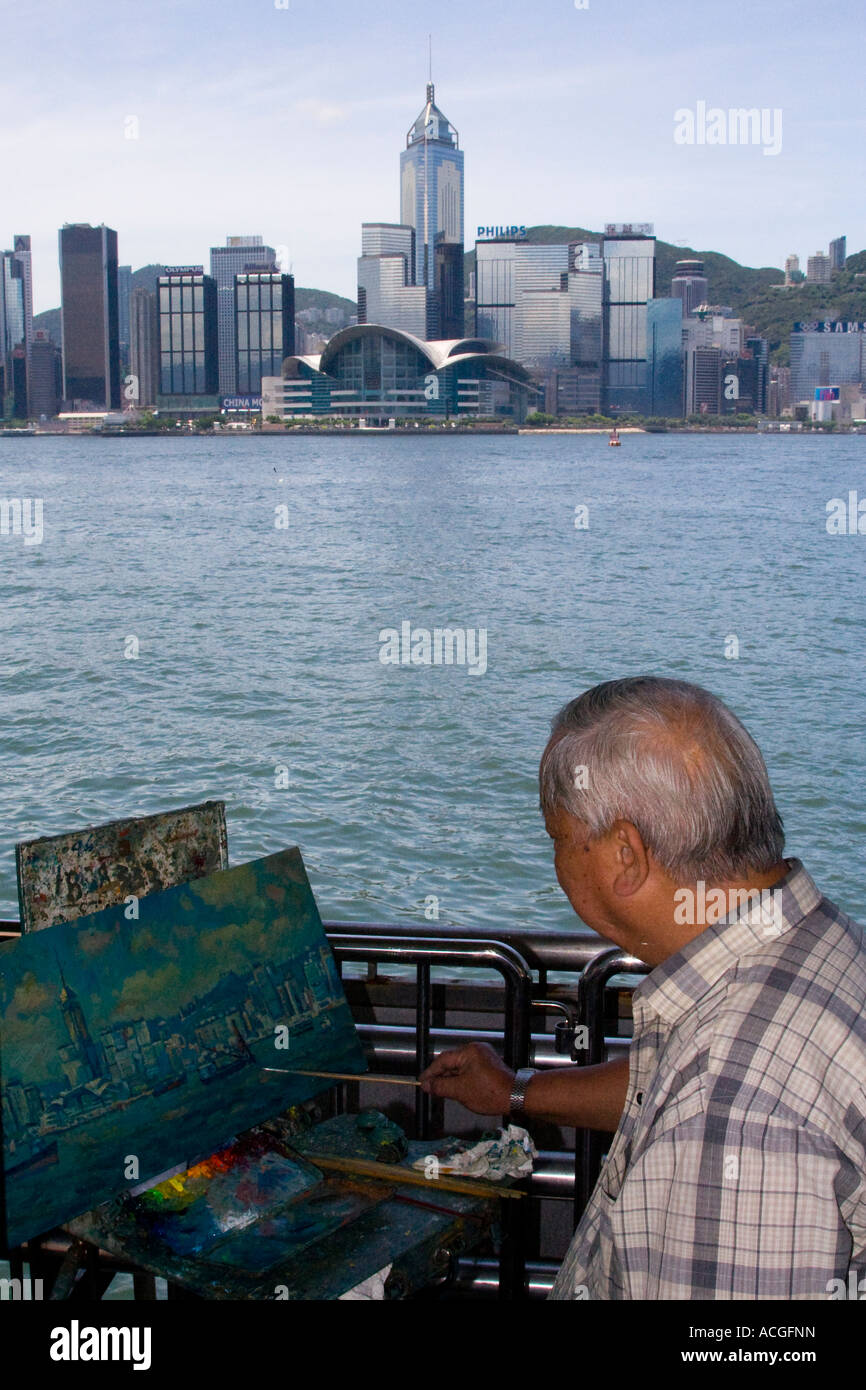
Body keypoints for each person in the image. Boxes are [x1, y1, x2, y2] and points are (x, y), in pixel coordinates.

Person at [420, 677, 866, 1300]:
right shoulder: (808, 945)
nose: (556, 862)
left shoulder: (731, 1112)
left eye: (558, 838)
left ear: (624, 856)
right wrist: (515, 1092)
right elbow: (664, 1085)